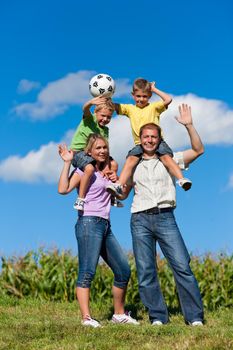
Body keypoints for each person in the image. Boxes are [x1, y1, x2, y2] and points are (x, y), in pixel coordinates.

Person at [122, 104, 204, 326]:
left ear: (159, 139)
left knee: (182, 266)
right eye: (146, 137)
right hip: (139, 219)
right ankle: (158, 317)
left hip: (166, 217)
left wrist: (189, 126)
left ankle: (195, 318)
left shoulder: (171, 159)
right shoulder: (133, 163)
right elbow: (123, 192)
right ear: (140, 139)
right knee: (146, 270)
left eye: (154, 137)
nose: (149, 140)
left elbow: (198, 150)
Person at [58, 134, 139, 328]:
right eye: (98, 148)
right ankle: (86, 318)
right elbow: (63, 189)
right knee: (87, 272)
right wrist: (67, 163)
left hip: (105, 225)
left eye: (104, 148)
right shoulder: (84, 170)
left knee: (123, 270)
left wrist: (120, 181)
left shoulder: (110, 170)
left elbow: (123, 195)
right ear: (89, 152)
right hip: (88, 223)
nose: (102, 151)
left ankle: (119, 314)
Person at [106, 78, 192, 197]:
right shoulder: (130, 109)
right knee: (130, 159)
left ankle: (181, 179)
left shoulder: (154, 107)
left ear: (149, 96)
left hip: (158, 142)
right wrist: (105, 96)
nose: (141, 99)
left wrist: (154, 89)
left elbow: (168, 99)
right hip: (140, 144)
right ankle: (119, 184)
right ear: (133, 95)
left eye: (145, 96)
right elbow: (112, 105)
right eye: (138, 96)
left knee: (166, 158)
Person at [70, 96, 122, 210]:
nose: (105, 119)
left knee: (114, 165)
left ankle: (111, 194)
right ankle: (80, 199)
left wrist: (107, 167)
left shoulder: (105, 130)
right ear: (95, 112)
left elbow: (106, 149)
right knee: (89, 168)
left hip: (94, 154)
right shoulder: (90, 120)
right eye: (102, 116)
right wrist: (90, 102)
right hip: (78, 153)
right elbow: (85, 109)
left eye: (108, 117)